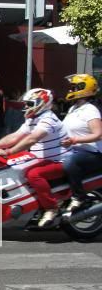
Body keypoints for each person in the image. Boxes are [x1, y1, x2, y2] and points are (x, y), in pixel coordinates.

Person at [0, 88, 72, 227]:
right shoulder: (33, 119)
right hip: (42, 158)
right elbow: (15, 136)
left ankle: (51, 208)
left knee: (33, 174)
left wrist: (9, 151)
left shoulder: (48, 119)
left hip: (60, 160)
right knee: (11, 166)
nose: (26, 107)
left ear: (41, 103)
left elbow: (32, 139)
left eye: (29, 103)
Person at [60, 74, 102, 212]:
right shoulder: (73, 108)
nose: (70, 91)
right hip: (73, 150)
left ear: (84, 88)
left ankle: (79, 197)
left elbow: (98, 134)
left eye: (74, 88)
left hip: (91, 153)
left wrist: (75, 140)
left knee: (70, 162)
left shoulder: (90, 110)